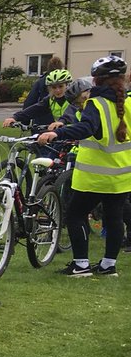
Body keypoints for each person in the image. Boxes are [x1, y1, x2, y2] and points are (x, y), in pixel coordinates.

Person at [37, 56, 131, 277]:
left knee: (75, 214)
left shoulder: (96, 103)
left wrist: (56, 133)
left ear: (97, 81)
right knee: (115, 216)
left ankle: (81, 265)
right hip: (122, 175)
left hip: (95, 175)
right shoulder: (127, 102)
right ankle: (108, 266)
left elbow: (85, 128)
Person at [3, 68, 73, 130]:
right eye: (54, 87)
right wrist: (15, 117)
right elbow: (34, 110)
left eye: (61, 86)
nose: (57, 90)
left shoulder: (75, 99)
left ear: (67, 85)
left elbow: (71, 113)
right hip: (63, 135)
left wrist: (62, 122)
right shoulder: (50, 100)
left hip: (78, 137)